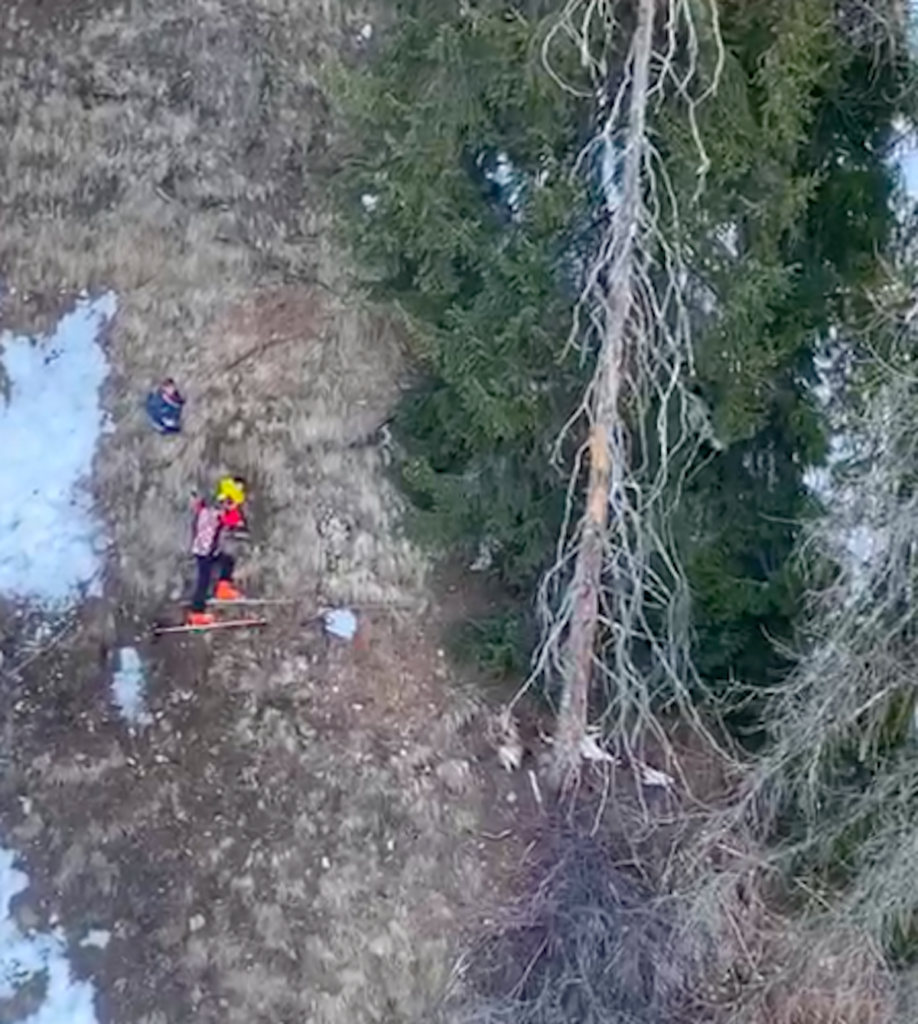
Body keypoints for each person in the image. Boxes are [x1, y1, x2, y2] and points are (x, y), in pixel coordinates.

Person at [187, 492, 243, 626]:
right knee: (203, 582)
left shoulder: (206, 511)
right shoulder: (214, 513)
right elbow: (233, 521)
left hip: (207, 550)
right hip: (205, 552)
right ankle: (196, 613)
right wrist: (233, 509)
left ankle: (223, 588)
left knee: (227, 561)